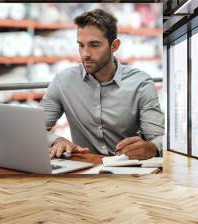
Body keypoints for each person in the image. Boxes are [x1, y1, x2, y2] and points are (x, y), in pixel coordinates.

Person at [39, 8, 164, 160]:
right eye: (81, 45)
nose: (85, 53)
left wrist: (152, 147)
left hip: (130, 171)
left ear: (114, 46)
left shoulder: (141, 84)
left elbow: (159, 138)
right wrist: (56, 140)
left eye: (94, 45)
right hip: (86, 171)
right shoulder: (63, 81)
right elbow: (33, 129)